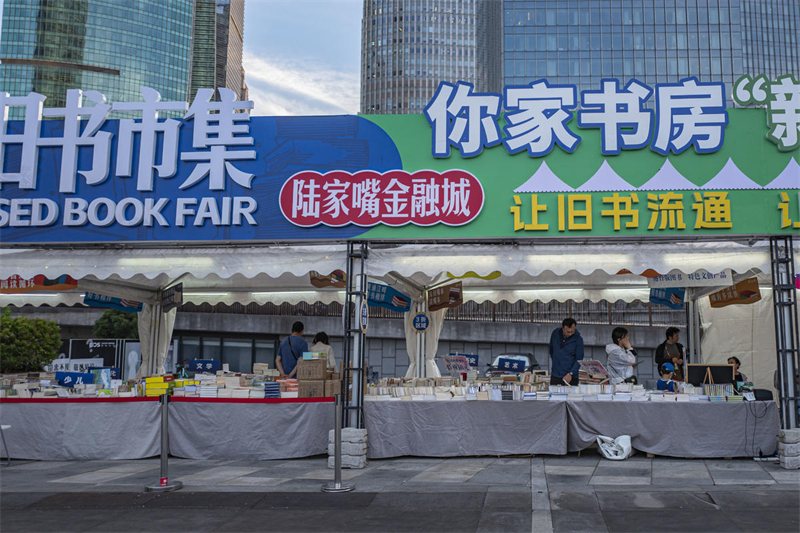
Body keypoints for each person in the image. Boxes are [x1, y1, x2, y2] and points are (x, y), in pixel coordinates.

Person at [549, 318, 584, 386]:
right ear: (563, 328)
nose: (570, 334)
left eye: (572, 331)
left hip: (571, 377)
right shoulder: (555, 334)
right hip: (556, 375)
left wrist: (571, 373)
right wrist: (556, 363)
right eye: (568, 332)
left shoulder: (578, 339)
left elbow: (579, 359)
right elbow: (551, 350)